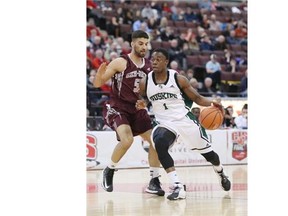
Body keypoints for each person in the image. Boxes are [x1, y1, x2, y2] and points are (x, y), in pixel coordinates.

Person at [137, 48, 231, 200]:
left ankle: (220, 172)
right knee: (159, 142)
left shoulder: (178, 79)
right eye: (152, 59)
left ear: (166, 62)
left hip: (184, 119)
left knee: (210, 156)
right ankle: (177, 186)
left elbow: (198, 98)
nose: (154, 62)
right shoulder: (145, 81)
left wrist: (212, 102)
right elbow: (144, 99)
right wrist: (142, 103)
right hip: (164, 122)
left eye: (158, 59)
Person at [93, 30, 164, 196]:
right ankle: (109, 170)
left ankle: (154, 180)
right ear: (132, 44)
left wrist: (145, 101)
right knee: (127, 140)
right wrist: (99, 75)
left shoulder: (148, 66)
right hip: (117, 106)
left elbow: (150, 92)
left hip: (136, 108)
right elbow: (98, 84)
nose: (144, 47)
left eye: (146, 44)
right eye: (140, 43)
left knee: (156, 141)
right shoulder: (120, 62)